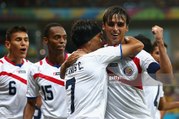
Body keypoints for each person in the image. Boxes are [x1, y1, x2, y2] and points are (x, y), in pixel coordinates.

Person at [60, 19, 144, 119]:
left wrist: (64, 65)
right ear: (89, 39)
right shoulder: (98, 56)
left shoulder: (70, 62)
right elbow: (138, 45)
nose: (102, 41)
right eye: (99, 37)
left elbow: (61, 75)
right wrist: (122, 37)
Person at [101, 6, 174, 119]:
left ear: (127, 28)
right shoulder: (97, 55)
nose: (115, 29)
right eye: (111, 24)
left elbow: (166, 78)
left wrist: (160, 42)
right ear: (104, 26)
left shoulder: (139, 54)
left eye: (120, 24)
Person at [23, 23, 69, 119]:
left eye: (64, 38)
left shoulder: (77, 62)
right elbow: (31, 104)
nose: (62, 41)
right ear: (45, 40)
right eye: (57, 37)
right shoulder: (35, 69)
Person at [0, 26, 32, 118]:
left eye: (26, 40)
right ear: (8, 44)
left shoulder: (33, 68)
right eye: (18, 40)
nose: (23, 43)